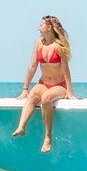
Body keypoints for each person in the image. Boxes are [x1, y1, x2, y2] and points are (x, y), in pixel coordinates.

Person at [12, 15, 77, 152]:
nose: (38, 28)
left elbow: (66, 69)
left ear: (49, 27)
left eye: (41, 25)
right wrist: (25, 88)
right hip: (43, 83)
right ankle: (22, 127)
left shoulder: (59, 46)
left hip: (59, 85)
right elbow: (32, 66)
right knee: (33, 94)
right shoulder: (38, 43)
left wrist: (69, 91)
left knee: (46, 98)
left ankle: (48, 137)